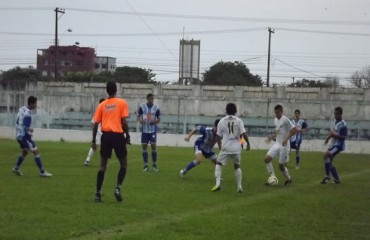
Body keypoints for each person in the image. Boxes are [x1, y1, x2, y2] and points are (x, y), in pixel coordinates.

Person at [92, 81, 130, 202]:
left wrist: (93, 140)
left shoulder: (102, 105)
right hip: (118, 136)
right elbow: (124, 122)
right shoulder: (121, 102)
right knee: (123, 164)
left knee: (103, 166)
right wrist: (127, 135)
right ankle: (118, 188)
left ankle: (98, 193)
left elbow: (96, 123)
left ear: (107, 91)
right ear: (116, 90)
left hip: (106, 136)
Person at [212, 103, 250, 193]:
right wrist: (247, 143)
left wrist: (218, 145)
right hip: (236, 148)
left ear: (226, 111)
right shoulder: (239, 121)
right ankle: (239, 186)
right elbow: (242, 134)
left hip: (226, 146)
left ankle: (217, 184)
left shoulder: (221, 121)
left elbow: (218, 136)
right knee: (237, 166)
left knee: (218, 163)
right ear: (235, 111)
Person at [12, 96, 52, 177]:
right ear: (31, 103)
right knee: (36, 151)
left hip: (18, 135)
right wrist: (30, 129)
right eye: (35, 104)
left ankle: (16, 168)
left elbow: (19, 121)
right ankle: (42, 171)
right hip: (24, 136)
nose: (36, 105)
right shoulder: (28, 113)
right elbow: (25, 125)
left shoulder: (22, 109)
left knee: (25, 151)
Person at [264, 104, 297, 186]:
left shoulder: (285, 119)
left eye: (278, 112)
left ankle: (288, 179)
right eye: (275, 112)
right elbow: (278, 131)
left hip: (284, 146)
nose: (276, 114)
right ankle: (273, 178)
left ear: (282, 111)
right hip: (277, 144)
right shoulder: (275, 120)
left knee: (281, 166)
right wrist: (272, 137)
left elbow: (294, 130)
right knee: (266, 159)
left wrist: (286, 139)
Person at [321, 107, 347, 184]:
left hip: (339, 145)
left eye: (337, 114)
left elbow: (344, 137)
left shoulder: (343, 124)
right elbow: (333, 132)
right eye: (335, 113)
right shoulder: (335, 121)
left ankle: (327, 176)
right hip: (333, 144)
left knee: (326, 155)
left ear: (341, 114)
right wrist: (328, 138)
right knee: (328, 160)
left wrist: (336, 135)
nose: (335, 115)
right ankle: (337, 179)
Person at [137, 93, 161, 172]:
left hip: (153, 131)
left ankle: (154, 164)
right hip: (145, 131)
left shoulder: (156, 108)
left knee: (153, 146)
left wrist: (155, 121)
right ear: (147, 99)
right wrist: (140, 121)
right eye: (150, 99)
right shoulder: (142, 107)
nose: (151, 100)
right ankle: (146, 165)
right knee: (144, 147)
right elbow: (139, 117)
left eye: (152, 99)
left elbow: (159, 119)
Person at [84, 98, 105, 166]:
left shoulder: (101, 112)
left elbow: (92, 123)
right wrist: (94, 132)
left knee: (100, 148)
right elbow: (93, 123)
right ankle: (88, 159)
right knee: (95, 147)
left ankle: (88, 160)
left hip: (103, 133)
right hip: (100, 133)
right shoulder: (99, 112)